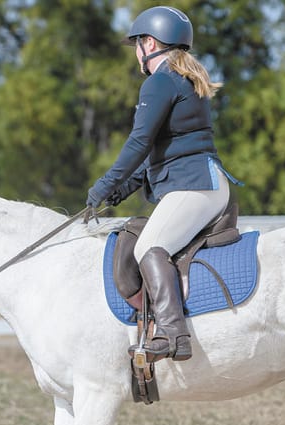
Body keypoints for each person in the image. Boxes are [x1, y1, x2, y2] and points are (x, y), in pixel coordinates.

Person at [86, 5, 242, 363]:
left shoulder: (159, 81)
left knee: (149, 246)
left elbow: (139, 143)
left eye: (137, 44)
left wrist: (103, 185)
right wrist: (119, 191)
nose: (136, 53)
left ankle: (173, 335)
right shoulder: (180, 78)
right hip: (203, 183)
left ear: (150, 43)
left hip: (194, 185)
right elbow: (159, 152)